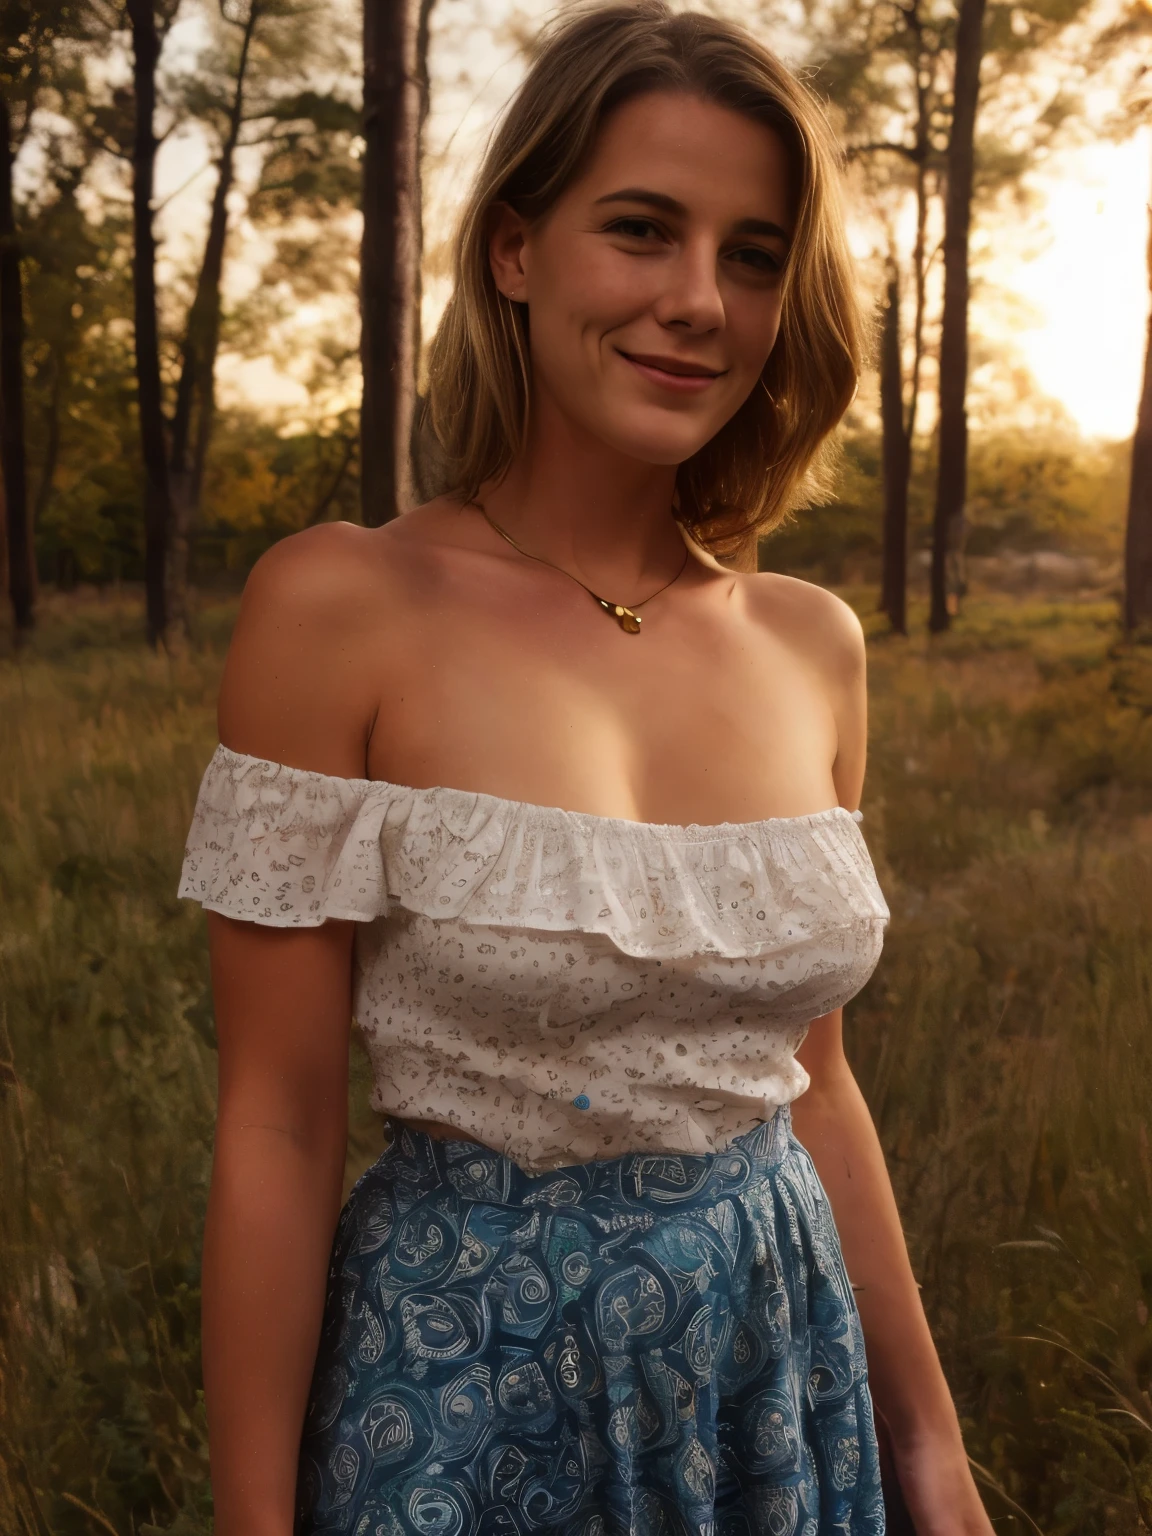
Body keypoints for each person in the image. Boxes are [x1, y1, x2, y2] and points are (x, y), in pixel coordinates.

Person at [177, 4, 996, 1533]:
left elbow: (812, 1085)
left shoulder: (812, 644)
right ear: (514, 251)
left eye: (753, 254)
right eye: (641, 230)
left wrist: (933, 1453)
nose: (699, 300)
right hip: (464, 1396)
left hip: (775, 1383)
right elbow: (277, 1125)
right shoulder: (337, 605)